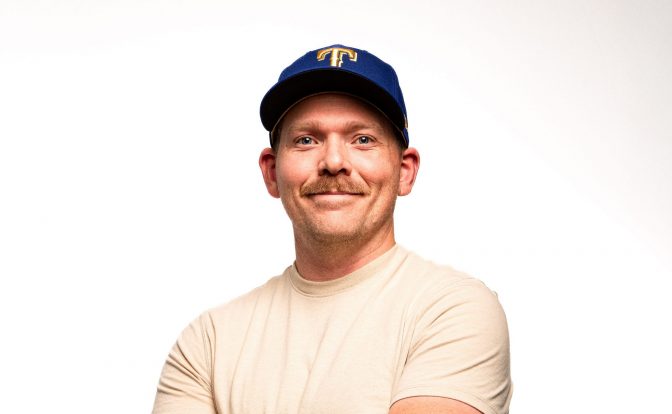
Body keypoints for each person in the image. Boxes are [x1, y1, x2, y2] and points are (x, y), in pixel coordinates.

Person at [152, 44, 512, 414]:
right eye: (306, 140)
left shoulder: (453, 310)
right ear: (271, 172)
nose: (334, 161)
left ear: (405, 172)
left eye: (363, 140)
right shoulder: (208, 342)